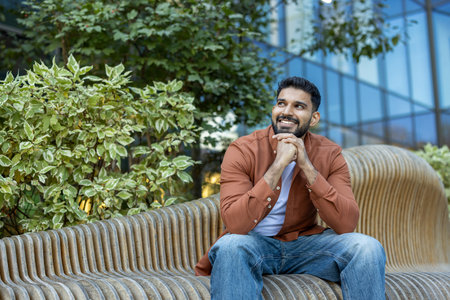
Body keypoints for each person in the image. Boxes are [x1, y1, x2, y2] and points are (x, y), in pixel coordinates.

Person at [194, 76, 386, 299]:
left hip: (305, 248)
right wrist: (278, 165)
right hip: (252, 245)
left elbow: (346, 223)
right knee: (230, 246)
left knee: (367, 248)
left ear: (314, 118)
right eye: (281, 103)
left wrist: (306, 164)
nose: (286, 111)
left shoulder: (330, 153)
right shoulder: (243, 149)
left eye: (299, 106)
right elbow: (235, 224)